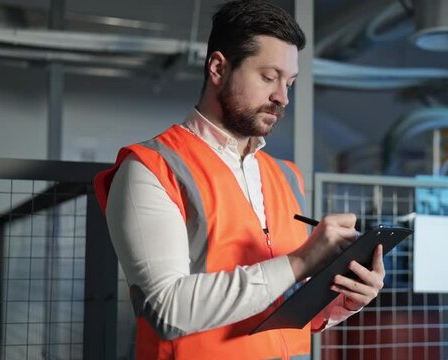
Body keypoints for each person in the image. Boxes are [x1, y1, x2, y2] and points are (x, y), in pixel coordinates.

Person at [94, 1, 386, 359]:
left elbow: (287, 304)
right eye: (268, 77)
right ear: (218, 68)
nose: (283, 97)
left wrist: (344, 299)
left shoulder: (285, 176)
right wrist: (300, 262)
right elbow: (165, 311)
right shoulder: (152, 168)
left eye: (289, 82)